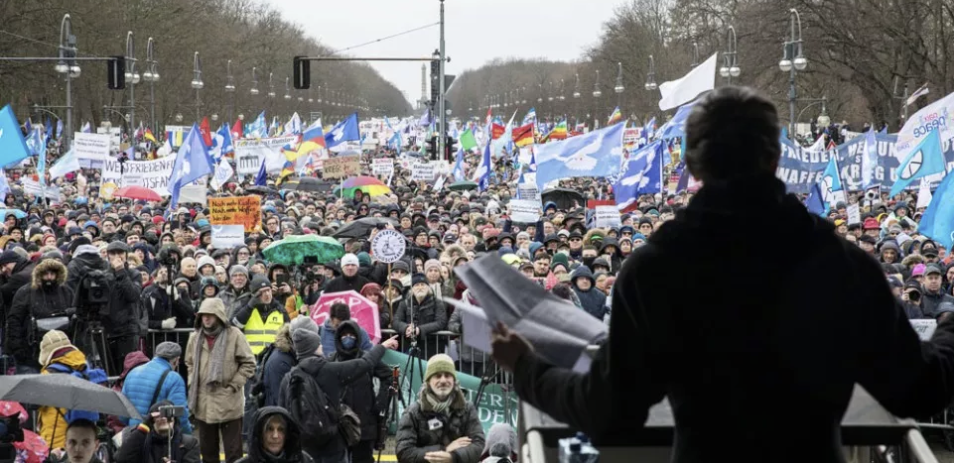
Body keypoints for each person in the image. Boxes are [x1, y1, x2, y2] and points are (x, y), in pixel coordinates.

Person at [489, 86, 954, 460]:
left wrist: (528, 367)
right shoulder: (842, 266)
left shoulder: (657, 270)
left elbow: (609, 408)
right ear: (775, 158)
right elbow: (918, 389)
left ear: (691, 164)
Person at [279, 317, 399, 463]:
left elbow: (283, 412)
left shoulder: (289, 377)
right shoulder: (328, 370)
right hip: (331, 441)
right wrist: (382, 347)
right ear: (313, 348)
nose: (322, 346)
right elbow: (365, 363)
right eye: (319, 344)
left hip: (304, 441)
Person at [185, 297, 256, 463]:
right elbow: (189, 363)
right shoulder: (195, 338)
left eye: (211, 314)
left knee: (234, 454)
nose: (207, 318)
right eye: (203, 315)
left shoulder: (234, 335)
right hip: (203, 402)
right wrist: (191, 380)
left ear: (219, 316)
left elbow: (249, 363)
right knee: (208, 452)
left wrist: (233, 386)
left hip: (229, 401)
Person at [395, 354, 485, 463]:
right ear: (428, 381)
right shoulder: (413, 412)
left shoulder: (467, 408)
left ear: (454, 380)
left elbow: (478, 444)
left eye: (447, 375)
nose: (443, 380)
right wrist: (444, 450)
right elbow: (404, 452)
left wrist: (453, 457)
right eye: (437, 376)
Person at [328, 320, 392, 463]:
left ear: (358, 337)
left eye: (351, 335)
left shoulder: (366, 359)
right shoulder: (331, 360)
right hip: (338, 425)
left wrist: (380, 402)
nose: (348, 338)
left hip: (364, 424)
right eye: (344, 335)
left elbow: (388, 376)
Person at [5, 257, 74, 373]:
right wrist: (17, 348)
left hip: (61, 352)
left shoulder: (66, 291)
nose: (49, 277)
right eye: (45, 273)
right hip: (31, 351)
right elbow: (14, 320)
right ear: (39, 273)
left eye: (52, 273)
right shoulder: (26, 292)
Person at [121, 341, 193, 434]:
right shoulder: (174, 378)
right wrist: (187, 435)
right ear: (177, 360)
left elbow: (122, 412)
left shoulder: (133, 372)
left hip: (134, 433)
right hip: (157, 435)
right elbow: (180, 415)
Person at [114, 400, 200, 463]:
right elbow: (121, 459)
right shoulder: (141, 440)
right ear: (151, 420)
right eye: (158, 415)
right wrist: (143, 427)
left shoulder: (189, 443)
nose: (163, 417)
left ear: (174, 419)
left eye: (167, 414)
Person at [236, 406, 315, 463]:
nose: (275, 436)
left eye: (281, 429)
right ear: (260, 434)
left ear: (287, 434)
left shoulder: (303, 460)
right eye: (269, 429)